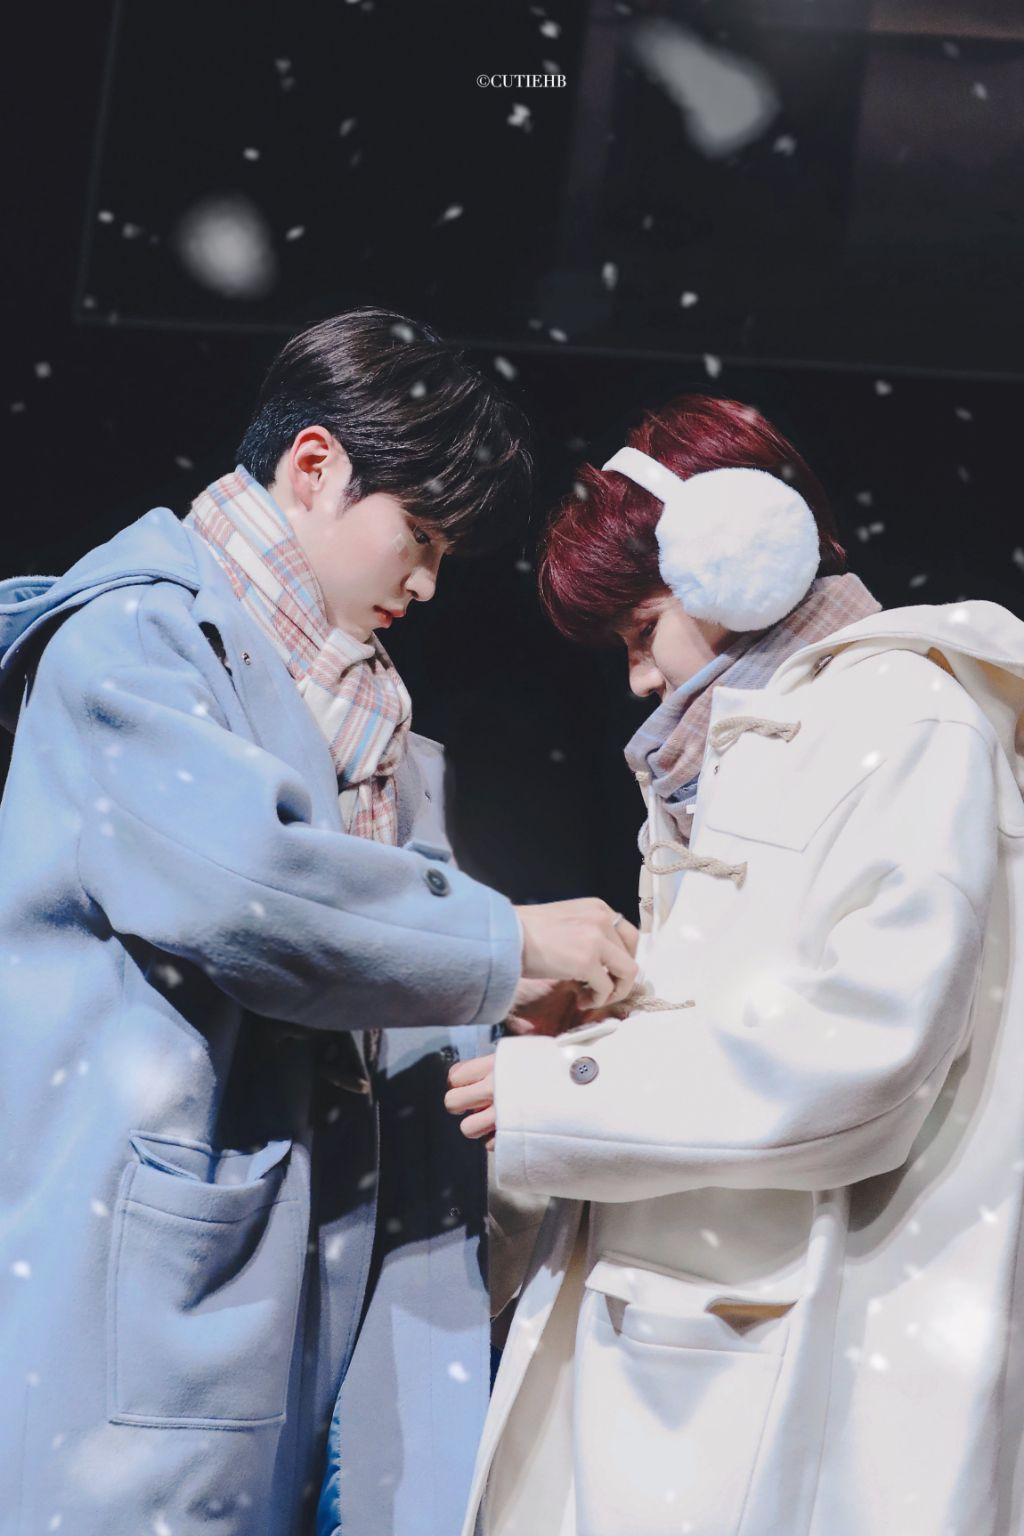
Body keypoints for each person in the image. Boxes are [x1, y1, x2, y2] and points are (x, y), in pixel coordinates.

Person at [0, 308, 638, 1536]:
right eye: (421, 536)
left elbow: (369, 976)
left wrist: (506, 1018)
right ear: (312, 468)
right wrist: (506, 946)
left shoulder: (366, 722)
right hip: (147, 1293)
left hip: (305, 1272)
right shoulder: (130, 640)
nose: (426, 583)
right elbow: (246, 892)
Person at [447, 393, 1024, 1536]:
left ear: (737, 567)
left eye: (641, 628)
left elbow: (864, 1056)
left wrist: (564, 1091)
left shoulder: (906, 720)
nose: (637, 678)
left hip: (802, 1355)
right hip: (709, 1338)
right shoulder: (759, 742)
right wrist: (599, 1025)